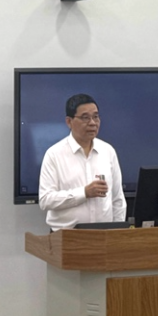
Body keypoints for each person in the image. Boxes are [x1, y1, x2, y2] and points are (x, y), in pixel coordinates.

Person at [38, 93, 127, 231]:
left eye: (96, 117)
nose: (92, 123)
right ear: (69, 121)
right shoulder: (54, 154)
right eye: (85, 118)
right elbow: (45, 200)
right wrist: (84, 193)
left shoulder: (108, 151)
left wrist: (117, 231)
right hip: (66, 236)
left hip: (104, 235)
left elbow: (117, 199)